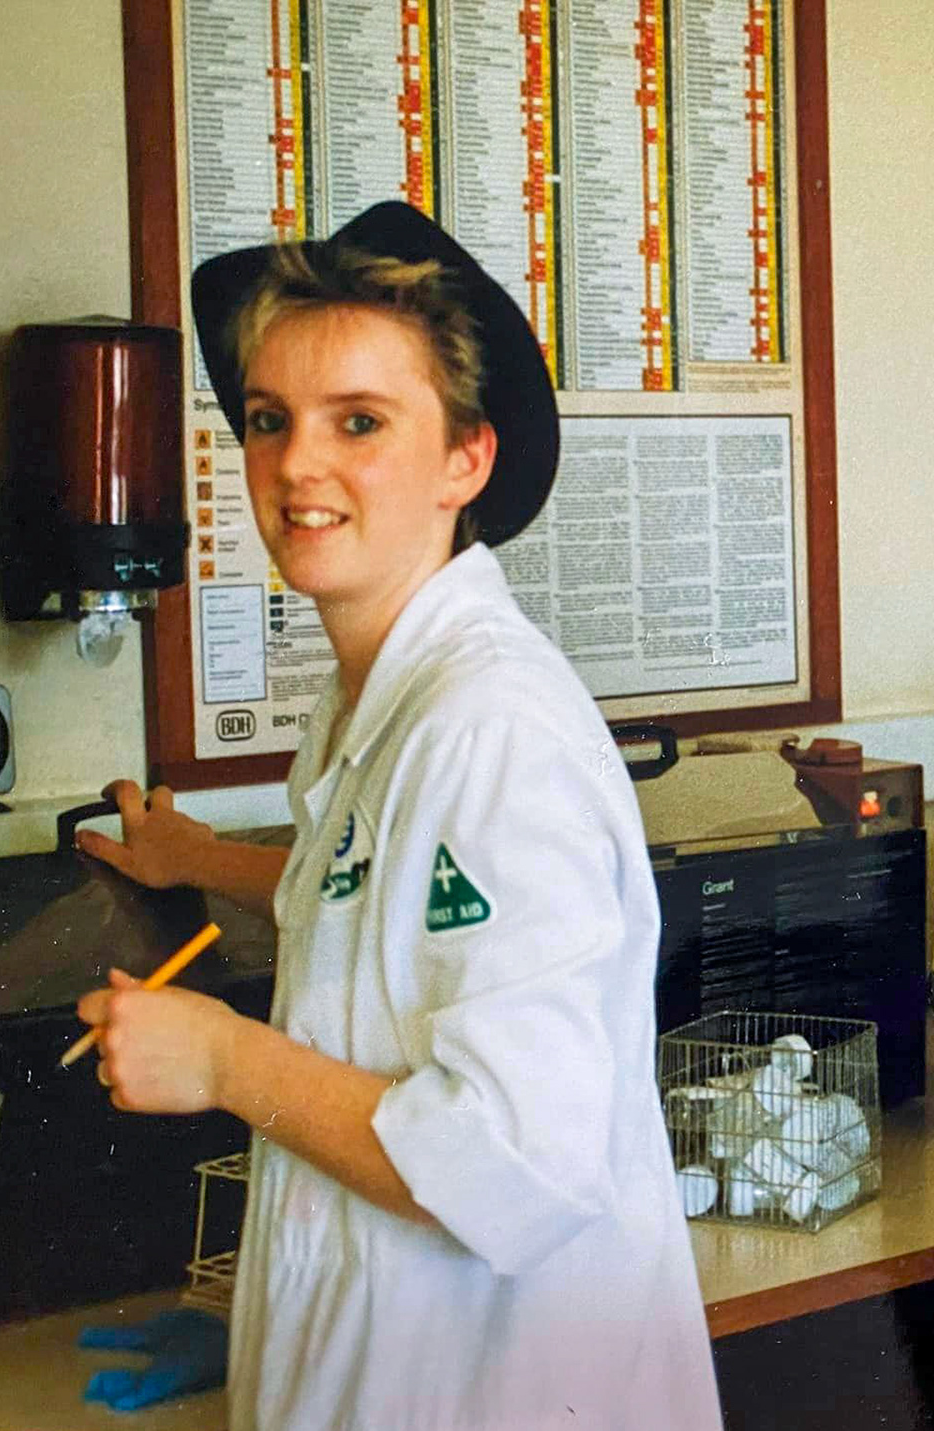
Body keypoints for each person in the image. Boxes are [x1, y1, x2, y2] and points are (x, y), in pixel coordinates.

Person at [73, 202, 723, 1431]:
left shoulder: (495, 728)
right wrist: (198, 857)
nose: (297, 466)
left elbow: (506, 1160)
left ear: (464, 460)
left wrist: (221, 1058)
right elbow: (380, 903)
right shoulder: (378, 692)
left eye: (359, 423)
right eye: (271, 421)